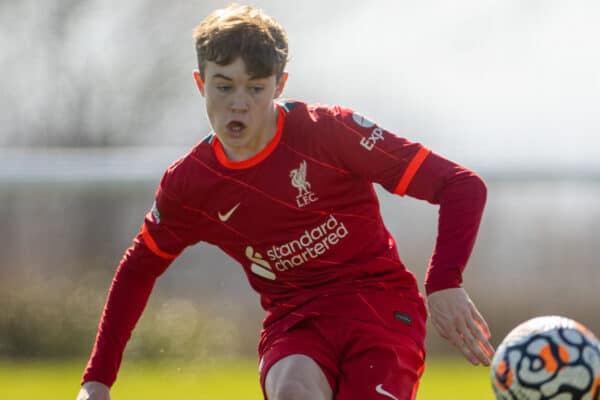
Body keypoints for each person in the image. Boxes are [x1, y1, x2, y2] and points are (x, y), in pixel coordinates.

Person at [76, 4, 494, 400]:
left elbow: (462, 186)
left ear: (280, 84)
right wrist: (97, 380)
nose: (238, 103)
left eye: (255, 88)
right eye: (223, 86)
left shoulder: (329, 133)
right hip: (296, 320)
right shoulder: (191, 185)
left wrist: (444, 282)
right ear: (200, 83)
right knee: (293, 390)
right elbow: (137, 269)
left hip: (381, 308)